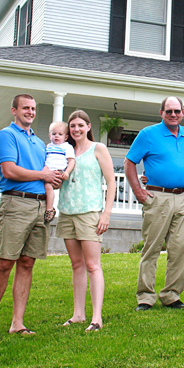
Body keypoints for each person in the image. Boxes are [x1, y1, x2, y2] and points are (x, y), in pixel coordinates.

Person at [0, 94, 61, 341]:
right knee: (5, 263)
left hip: (39, 206)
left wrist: (54, 178)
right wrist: (43, 176)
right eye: (25, 108)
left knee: (27, 263)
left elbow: (47, 173)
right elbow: (9, 170)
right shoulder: (7, 135)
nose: (30, 112)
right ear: (14, 110)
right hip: (16, 203)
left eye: (33, 108)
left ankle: (18, 323)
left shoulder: (39, 142)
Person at [125, 96, 184, 311]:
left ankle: (171, 295)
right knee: (152, 248)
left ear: (183, 113)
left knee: (180, 248)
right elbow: (129, 162)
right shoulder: (148, 134)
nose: (173, 115)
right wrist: (138, 190)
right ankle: (145, 297)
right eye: (169, 111)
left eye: (177, 111)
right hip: (158, 197)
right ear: (161, 113)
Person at [56, 110, 116, 332]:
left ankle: (96, 318)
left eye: (80, 125)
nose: (76, 129)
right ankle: (78, 314)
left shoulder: (98, 148)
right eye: (72, 126)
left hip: (90, 212)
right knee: (76, 264)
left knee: (92, 265)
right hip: (67, 211)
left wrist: (106, 213)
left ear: (89, 127)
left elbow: (111, 182)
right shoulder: (65, 150)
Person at [43, 121, 76, 223]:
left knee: (48, 187)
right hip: (47, 171)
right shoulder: (48, 147)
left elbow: (71, 161)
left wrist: (67, 172)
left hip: (58, 172)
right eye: (54, 134)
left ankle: (49, 209)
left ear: (66, 137)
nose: (56, 136)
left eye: (60, 134)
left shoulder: (66, 147)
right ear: (49, 136)